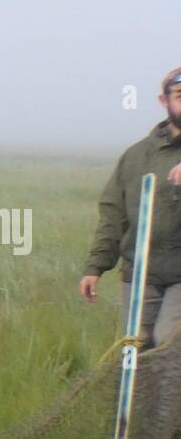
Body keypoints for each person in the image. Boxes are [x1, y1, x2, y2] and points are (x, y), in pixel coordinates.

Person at [80, 66, 181, 348]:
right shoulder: (136, 156)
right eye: (180, 95)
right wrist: (95, 267)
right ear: (164, 101)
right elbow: (113, 215)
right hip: (141, 273)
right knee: (135, 348)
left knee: (169, 342)